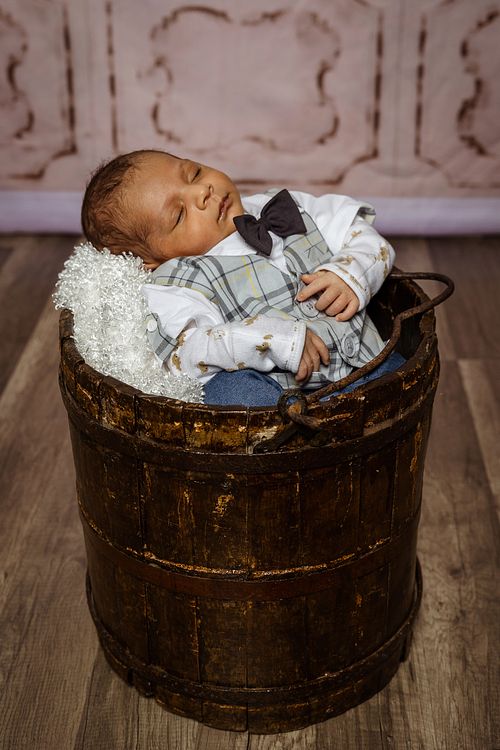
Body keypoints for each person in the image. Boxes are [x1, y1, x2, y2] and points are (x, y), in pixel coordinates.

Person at [81, 149, 403, 406]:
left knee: (402, 378)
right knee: (227, 393)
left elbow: (363, 235)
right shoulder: (177, 281)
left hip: (369, 364)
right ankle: (287, 445)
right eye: (179, 214)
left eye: (194, 173)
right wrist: (270, 339)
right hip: (283, 401)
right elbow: (190, 354)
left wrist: (350, 273)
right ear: (151, 261)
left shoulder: (278, 205)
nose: (202, 192)